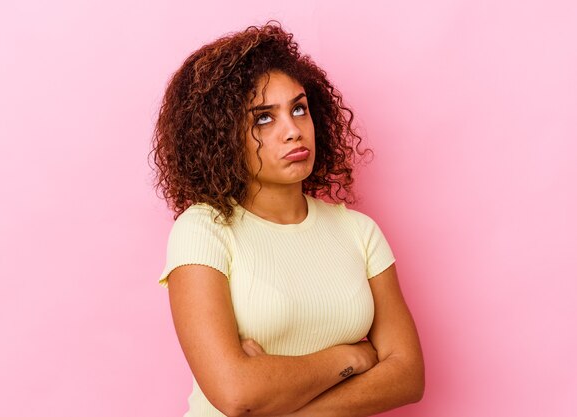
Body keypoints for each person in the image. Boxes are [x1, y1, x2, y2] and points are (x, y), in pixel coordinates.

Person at [152, 22, 424, 417]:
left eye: (299, 109)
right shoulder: (202, 230)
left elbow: (408, 376)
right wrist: (353, 357)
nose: (293, 131)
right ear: (224, 136)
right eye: (264, 118)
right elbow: (236, 393)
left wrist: (281, 397)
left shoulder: (359, 233)